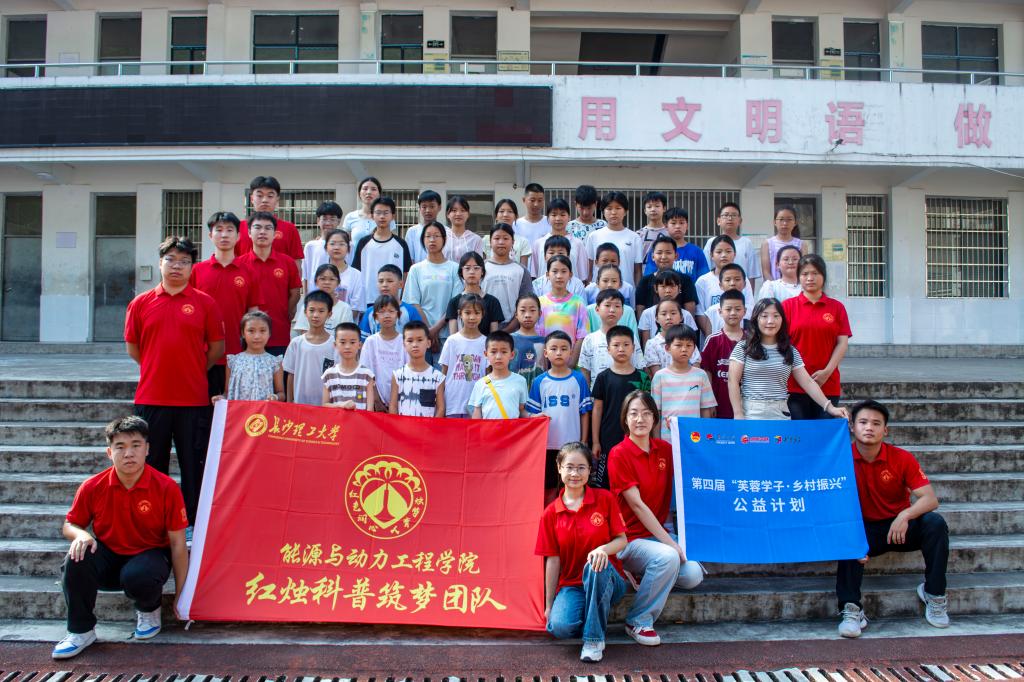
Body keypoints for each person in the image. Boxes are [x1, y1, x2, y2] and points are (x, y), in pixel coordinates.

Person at [53, 416, 188, 659]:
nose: (129, 454)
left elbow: (178, 544)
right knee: (76, 557)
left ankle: (149, 610)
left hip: (149, 556)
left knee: (139, 574)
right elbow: (70, 524)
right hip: (109, 555)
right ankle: (81, 631)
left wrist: (182, 594)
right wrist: (81, 534)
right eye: (120, 447)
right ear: (109, 452)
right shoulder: (93, 486)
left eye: (136, 445)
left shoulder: (166, 487)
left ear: (147, 449)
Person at [125, 236, 224, 531]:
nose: (177, 266)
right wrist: (157, 366)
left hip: (193, 399)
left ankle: (193, 523)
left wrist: (192, 369)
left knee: (193, 465)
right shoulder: (141, 303)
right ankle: (153, 520)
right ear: (160, 263)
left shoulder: (205, 303)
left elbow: (216, 349)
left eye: (184, 261)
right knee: (152, 464)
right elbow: (134, 348)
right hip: (151, 397)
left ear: (192, 266)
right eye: (171, 260)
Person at [837, 400, 950, 638]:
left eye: (876, 423)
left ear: (885, 430)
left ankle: (934, 593)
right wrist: (854, 535)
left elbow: (930, 499)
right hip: (865, 529)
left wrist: (906, 514)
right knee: (848, 536)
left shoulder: (901, 458)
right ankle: (851, 608)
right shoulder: (840, 458)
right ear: (852, 427)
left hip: (899, 528)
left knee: (935, 523)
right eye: (863, 422)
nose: (869, 427)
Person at [608, 390, 704, 646]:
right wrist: (671, 543)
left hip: (655, 536)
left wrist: (681, 433)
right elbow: (637, 506)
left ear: (655, 418)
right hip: (627, 539)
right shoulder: (619, 453)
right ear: (625, 419)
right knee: (669, 556)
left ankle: (646, 573)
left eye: (646, 413)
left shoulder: (664, 450)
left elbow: (696, 460)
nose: (640, 419)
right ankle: (638, 620)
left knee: (693, 575)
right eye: (634, 413)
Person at [536, 442, 627, 663]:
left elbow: (622, 540)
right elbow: (553, 561)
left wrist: (603, 549)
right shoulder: (550, 513)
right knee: (559, 627)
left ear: (589, 470)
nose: (575, 474)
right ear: (559, 468)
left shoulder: (605, 499)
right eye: (569, 467)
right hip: (572, 585)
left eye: (581, 468)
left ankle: (593, 640)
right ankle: (591, 613)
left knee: (596, 564)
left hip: (609, 579)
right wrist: (549, 605)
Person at [729, 298, 850, 421]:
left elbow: (808, 382)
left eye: (776, 316)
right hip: (750, 413)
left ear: (782, 320)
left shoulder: (789, 351)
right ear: (756, 319)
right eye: (764, 316)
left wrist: (830, 407)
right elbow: (733, 381)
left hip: (780, 414)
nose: (770, 321)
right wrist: (738, 413)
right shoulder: (743, 348)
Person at [189, 211, 261, 400]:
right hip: (203, 355)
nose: (224, 235)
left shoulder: (249, 271)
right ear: (210, 235)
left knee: (234, 408)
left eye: (230, 230)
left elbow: (253, 313)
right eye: (219, 230)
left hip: (237, 354)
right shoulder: (197, 270)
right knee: (203, 407)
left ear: (238, 236)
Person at [783, 254, 852, 420]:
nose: (810, 278)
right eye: (805, 274)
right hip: (794, 385)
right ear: (798, 277)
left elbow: (842, 343)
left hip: (827, 383)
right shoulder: (787, 306)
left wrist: (827, 372)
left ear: (823, 276)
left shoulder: (837, 308)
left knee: (824, 433)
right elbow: (782, 344)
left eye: (815, 273)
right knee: (799, 433)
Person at [527, 331, 593, 499]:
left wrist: (584, 440)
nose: (558, 353)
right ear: (545, 353)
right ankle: (550, 513)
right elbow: (533, 415)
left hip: (572, 444)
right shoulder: (539, 382)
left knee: (571, 484)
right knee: (549, 486)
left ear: (571, 352)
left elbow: (584, 413)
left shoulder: (578, 379)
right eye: (554, 348)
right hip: (547, 444)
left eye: (564, 349)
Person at [237, 212, 302, 355]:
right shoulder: (239, 264)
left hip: (279, 333)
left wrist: (286, 313)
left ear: (275, 234)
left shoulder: (287, 262)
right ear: (249, 233)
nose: (262, 232)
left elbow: (295, 293)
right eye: (257, 227)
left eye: (268, 228)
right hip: (246, 336)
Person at [590, 326, 645, 487]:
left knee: (634, 477)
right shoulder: (603, 377)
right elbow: (597, 409)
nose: (621, 349)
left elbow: (648, 410)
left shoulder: (642, 377)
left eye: (626, 345)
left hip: (636, 436)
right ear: (608, 349)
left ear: (633, 348)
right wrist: (595, 441)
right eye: (616, 345)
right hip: (608, 437)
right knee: (607, 480)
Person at [405, 221, 463, 351]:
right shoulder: (416, 269)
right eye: (428, 236)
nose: (432, 240)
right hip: (421, 335)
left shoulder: (454, 268)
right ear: (423, 240)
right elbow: (413, 303)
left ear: (444, 239)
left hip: (447, 334)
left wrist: (435, 330)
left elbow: (455, 303)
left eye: (436, 236)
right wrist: (428, 330)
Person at [651, 325, 715, 439]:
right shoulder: (660, 376)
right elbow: (656, 411)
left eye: (689, 345)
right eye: (679, 345)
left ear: (694, 348)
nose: (684, 349)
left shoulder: (701, 375)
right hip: (668, 439)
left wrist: (706, 438)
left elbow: (705, 409)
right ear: (667, 348)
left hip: (694, 437)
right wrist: (657, 441)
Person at [212, 311, 284, 403]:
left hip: (263, 411)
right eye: (251, 331)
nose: (257, 336)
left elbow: (281, 393)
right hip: (239, 411)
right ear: (243, 333)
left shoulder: (275, 362)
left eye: (262, 331)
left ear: (269, 333)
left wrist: (275, 397)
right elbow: (227, 392)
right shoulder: (233, 361)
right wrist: (221, 398)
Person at [235, 176, 304, 270]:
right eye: (259, 195)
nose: (264, 200)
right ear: (251, 199)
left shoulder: (290, 229)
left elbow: (296, 264)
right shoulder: (238, 227)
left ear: (277, 200)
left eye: (270, 196)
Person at [580, 289, 645, 388]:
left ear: (622, 311)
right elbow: (585, 370)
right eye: (607, 305)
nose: (612, 310)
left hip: (628, 392)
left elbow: (639, 366)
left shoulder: (630, 337)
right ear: (597, 309)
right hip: (599, 394)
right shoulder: (590, 339)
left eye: (617, 306)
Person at [352, 196, 412, 298]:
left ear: (393, 216)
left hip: (394, 301)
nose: (382, 216)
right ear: (372, 215)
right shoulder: (363, 243)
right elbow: (356, 272)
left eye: (386, 213)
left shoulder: (401, 244)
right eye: (378, 212)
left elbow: (406, 273)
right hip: (367, 300)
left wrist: (402, 297)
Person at [695, 235, 754, 338]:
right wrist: (714, 337)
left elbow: (749, 308)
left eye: (728, 251)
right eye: (719, 252)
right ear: (711, 255)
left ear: (734, 254)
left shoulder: (743, 279)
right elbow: (700, 313)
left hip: (740, 338)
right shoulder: (703, 281)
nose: (723, 255)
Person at [283, 290, 336, 406]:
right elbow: (291, 374)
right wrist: (289, 402)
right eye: (312, 310)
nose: (316, 315)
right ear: (305, 312)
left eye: (321, 311)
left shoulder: (334, 344)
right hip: (300, 404)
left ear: (329, 314)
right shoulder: (296, 343)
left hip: (326, 406)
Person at [439, 294, 488, 418]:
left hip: (477, 406)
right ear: (459, 314)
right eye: (467, 313)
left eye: (477, 313)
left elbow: (488, 376)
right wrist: (440, 401)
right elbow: (443, 374)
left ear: (483, 314)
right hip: (453, 404)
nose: (472, 317)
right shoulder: (452, 341)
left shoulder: (486, 343)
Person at [698, 290, 744, 419]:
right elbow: (707, 373)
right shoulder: (713, 340)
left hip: (746, 406)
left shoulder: (751, 340)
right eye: (728, 309)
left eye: (737, 309)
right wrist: (709, 402)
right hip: (718, 403)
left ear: (745, 311)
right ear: (720, 312)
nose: (733, 313)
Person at [536, 255, 589, 365]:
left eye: (564, 271)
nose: (559, 276)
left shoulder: (578, 303)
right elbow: (538, 336)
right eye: (554, 271)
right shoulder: (540, 303)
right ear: (547, 275)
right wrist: (543, 364)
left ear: (570, 275)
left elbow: (582, 336)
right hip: (546, 362)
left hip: (570, 362)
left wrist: (571, 364)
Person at [359, 295, 408, 410]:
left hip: (401, 401)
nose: (387, 315)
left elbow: (409, 372)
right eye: (382, 312)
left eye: (391, 311)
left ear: (398, 314)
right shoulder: (370, 342)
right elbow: (366, 374)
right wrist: (376, 400)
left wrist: (395, 404)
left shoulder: (405, 341)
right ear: (375, 317)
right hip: (375, 402)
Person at [482, 222, 533, 330]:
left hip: (512, 329)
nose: (501, 242)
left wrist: (508, 330)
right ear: (490, 242)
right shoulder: (480, 268)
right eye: (497, 238)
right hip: (483, 327)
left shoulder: (521, 271)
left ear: (513, 242)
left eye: (505, 238)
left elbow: (525, 303)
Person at [585, 192, 643, 288]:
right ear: (603, 212)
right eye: (609, 208)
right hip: (599, 291)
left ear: (625, 211)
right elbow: (589, 270)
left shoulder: (634, 238)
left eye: (618, 208)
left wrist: (638, 293)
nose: (613, 212)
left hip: (626, 291)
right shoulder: (594, 236)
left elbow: (638, 271)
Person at [390, 320, 446, 417]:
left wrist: (432, 426)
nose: (415, 345)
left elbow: (441, 408)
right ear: (404, 344)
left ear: (428, 343)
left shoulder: (438, 377)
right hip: (402, 426)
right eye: (410, 341)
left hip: (428, 426)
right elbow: (393, 406)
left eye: (420, 340)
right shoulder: (398, 375)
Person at [468, 331, 529, 418]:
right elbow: (477, 412)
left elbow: (521, 410)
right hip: (488, 427)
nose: (498, 357)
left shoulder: (520, 381)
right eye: (493, 352)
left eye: (504, 352)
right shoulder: (480, 384)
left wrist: (535, 417)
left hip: (512, 427)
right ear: (486, 354)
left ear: (512, 355)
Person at [703, 202, 761, 292]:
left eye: (734, 215)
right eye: (726, 215)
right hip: (715, 291)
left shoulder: (746, 243)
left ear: (740, 221)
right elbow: (706, 269)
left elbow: (751, 274)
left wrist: (749, 295)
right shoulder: (711, 242)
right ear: (718, 221)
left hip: (740, 292)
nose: (730, 218)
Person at [358, 264, 423, 340]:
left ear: (401, 284)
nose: (384, 285)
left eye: (390, 281)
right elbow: (363, 341)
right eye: (381, 281)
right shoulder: (370, 312)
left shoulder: (410, 311)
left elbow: (418, 339)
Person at [446, 252, 504, 336]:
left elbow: (493, 337)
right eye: (467, 268)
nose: (472, 272)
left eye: (476, 268)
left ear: (482, 272)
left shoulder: (493, 302)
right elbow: (453, 337)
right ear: (461, 272)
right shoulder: (454, 302)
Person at [322, 322, 377, 410]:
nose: (347, 346)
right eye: (343, 342)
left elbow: (370, 410)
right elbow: (324, 405)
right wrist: (341, 405)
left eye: (352, 342)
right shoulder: (329, 374)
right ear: (335, 345)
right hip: (337, 419)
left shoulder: (367, 375)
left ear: (359, 345)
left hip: (360, 419)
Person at [644, 208, 709, 281]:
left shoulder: (697, 251)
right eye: (673, 223)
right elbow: (649, 278)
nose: (678, 226)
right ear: (666, 226)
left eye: (681, 223)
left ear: (687, 226)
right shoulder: (656, 251)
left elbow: (704, 279)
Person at [531, 199, 589, 281]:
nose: (558, 218)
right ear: (548, 218)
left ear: (569, 217)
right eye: (554, 215)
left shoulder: (578, 244)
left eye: (562, 215)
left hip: (571, 288)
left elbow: (582, 276)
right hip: (544, 288)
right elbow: (534, 274)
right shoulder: (538, 244)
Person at [638, 269, 698, 347]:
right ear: (656, 288)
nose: (668, 291)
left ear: (679, 288)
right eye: (663, 286)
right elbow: (646, 345)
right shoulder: (647, 313)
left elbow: (691, 343)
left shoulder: (686, 315)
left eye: (672, 286)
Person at [292, 264, 354, 336]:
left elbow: (346, 336)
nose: (327, 282)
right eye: (322, 279)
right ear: (316, 282)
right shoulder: (307, 306)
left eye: (332, 279)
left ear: (338, 283)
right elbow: (304, 334)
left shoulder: (345, 308)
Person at [643, 300, 701, 376]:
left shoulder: (689, 341)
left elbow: (696, 367)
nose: (669, 317)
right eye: (664, 314)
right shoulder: (652, 344)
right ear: (657, 319)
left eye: (673, 313)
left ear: (681, 317)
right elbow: (656, 375)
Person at [585, 264, 639, 339]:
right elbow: (586, 338)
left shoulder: (628, 311)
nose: (610, 285)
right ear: (597, 282)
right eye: (605, 281)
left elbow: (633, 339)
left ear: (620, 284)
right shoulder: (589, 310)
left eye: (614, 281)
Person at [323, 228, 365, 320]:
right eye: (332, 243)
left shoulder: (356, 275)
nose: (337, 247)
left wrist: (340, 324)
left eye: (341, 244)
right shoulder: (318, 274)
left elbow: (355, 308)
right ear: (326, 247)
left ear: (348, 249)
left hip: (347, 326)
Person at [302, 200, 344, 290]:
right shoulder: (310, 246)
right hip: (315, 294)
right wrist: (306, 297)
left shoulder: (347, 246)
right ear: (318, 221)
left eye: (332, 219)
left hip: (339, 294)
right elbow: (305, 276)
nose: (328, 223)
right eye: (324, 219)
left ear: (339, 221)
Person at [345, 176, 396, 248]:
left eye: (373, 189)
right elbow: (345, 245)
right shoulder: (350, 217)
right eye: (365, 189)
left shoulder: (386, 217)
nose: (369, 192)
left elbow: (393, 243)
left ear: (379, 194)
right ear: (359, 194)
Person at [698, 263, 748, 337]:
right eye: (728, 280)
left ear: (744, 284)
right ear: (720, 285)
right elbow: (709, 338)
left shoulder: (748, 311)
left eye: (737, 279)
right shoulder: (712, 311)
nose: (732, 283)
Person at [760, 206, 807, 282]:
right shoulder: (767, 244)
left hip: (796, 286)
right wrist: (774, 287)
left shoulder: (802, 244)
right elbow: (766, 272)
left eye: (789, 219)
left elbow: (804, 269)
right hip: (774, 286)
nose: (785, 223)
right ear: (774, 222)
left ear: (795, 222)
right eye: (781, 219)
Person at [510, 293, 546, 386]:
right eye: (523, 310)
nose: (527, 315)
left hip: (538, 391)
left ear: (539, 314)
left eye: (532, 310)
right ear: (516, 314)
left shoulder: (545, 342)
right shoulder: (509, 340)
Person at [487, 198, 532, 266]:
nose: (505, 215)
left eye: (510, 211)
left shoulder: (523, 242)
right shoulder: (485, 240)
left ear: (516, 216)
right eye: (501, 211)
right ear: (496, 216)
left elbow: (523, 269)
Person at [405, 190, 444, 263]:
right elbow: (410, 258)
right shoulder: (412, 231)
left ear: (439, 207)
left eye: (432, 206)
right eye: (424, 207)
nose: (428, 210)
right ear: (419, 208)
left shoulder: (446, 231)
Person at [515, 183, 551, 261]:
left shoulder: (550, 222)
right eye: (532, 200)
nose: (536, 204)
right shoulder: (516, 225)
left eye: (540, 200)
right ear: (524, 200)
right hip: (522, 266)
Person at [442, 195, 483, 263]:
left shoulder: (475, 239)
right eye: (454, 210)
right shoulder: (442, 237)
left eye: (462, 210)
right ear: (448, 214)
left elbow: (479, 264)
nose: (458, 214)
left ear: (468, 214)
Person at [637, 191, 668, 261]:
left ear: (664, 208)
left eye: (657, 206)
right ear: (645, 211)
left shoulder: (670, 233)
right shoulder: (638, 234)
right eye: (649, 207)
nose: (653, 209)